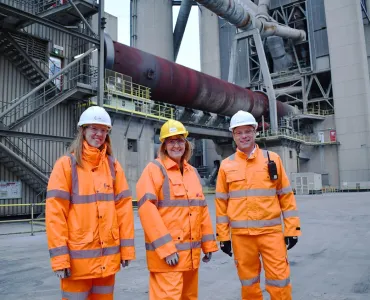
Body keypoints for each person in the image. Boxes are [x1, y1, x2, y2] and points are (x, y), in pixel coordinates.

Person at [46, 106, 135, 299]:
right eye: (94, 128)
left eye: (103, 130)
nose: (99, 134)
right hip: (77, 264)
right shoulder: (66, 165)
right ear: (83, 130)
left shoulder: (113, 166)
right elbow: (55, 214)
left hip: (107, 262)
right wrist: (60, 258)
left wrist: (126, 250)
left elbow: (124, 210)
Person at [215, 110, 301, 300]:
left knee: (279, 280)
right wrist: (223, 236)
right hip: (241, 237)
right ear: (233, 135)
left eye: (248, 131)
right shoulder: (226, 165)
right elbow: (221, 203)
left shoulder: (272, 160)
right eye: (239, 132)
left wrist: (292, 229)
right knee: (249, 283)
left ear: (255, 132)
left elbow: (286, 197)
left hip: (271, 235)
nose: (244, 136)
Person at [136, 119, 218, 300]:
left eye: (180, 140)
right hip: (168, 258)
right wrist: (166, 249)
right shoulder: (154, 170)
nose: (176, 145)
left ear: (186, 143)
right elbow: (147, 211)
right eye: (171, 141)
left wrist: (208, 244)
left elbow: (201, 210)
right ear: (164, 145)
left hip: (191, 257)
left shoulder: (192, 172)